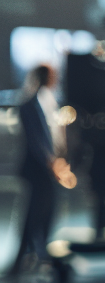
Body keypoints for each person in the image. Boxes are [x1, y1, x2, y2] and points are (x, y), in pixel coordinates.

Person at [12, 65, 65, 271]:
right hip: (38, 170)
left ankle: (33, 255)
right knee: (37, 213)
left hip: (45, 169)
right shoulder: (30, 104)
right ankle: (31, 256)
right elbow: (37, 141)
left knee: (43, 212)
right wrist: (51, 162)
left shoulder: (46, 102)